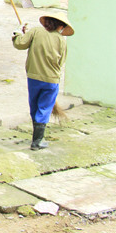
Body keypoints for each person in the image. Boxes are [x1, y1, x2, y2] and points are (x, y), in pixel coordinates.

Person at [11, 13, 75, 150]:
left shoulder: (35, 31)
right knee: (45, 108)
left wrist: (18, 33)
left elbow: (20, 44)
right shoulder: (61, 40)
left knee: (34, 105)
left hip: (33, 77)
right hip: (51, 80)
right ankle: (37, 141)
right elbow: (61, 61)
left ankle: (37, 138)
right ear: (61, 26)